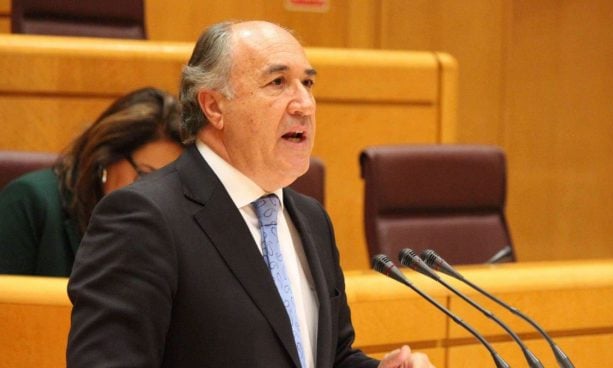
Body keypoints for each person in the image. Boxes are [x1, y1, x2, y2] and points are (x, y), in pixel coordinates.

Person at [66, 21, 436, 368]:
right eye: (278, 82)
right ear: (213, 106)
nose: (304, 104)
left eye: (307, 83)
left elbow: (327, 357)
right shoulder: (145, 217)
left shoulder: (310, 219)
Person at [0, 87, 184, 276]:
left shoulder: (170, 232)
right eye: (146, 176)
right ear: (106, 158)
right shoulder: (27, 203)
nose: (156, 196)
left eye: (169, 185)